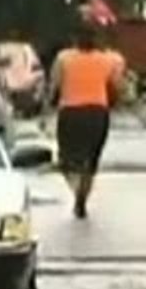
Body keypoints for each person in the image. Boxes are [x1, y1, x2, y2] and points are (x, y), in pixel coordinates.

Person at [48, 23, 125, 220]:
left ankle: (77, 191)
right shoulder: (108, 60)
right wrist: (116, 103)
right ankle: (82, 195)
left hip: (71, 112)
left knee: (66, 160)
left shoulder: (64, 58)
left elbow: (54, 86)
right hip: (97, 113)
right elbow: (116, 87)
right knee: (91, 161)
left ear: (75, 40)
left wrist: (48, 106)